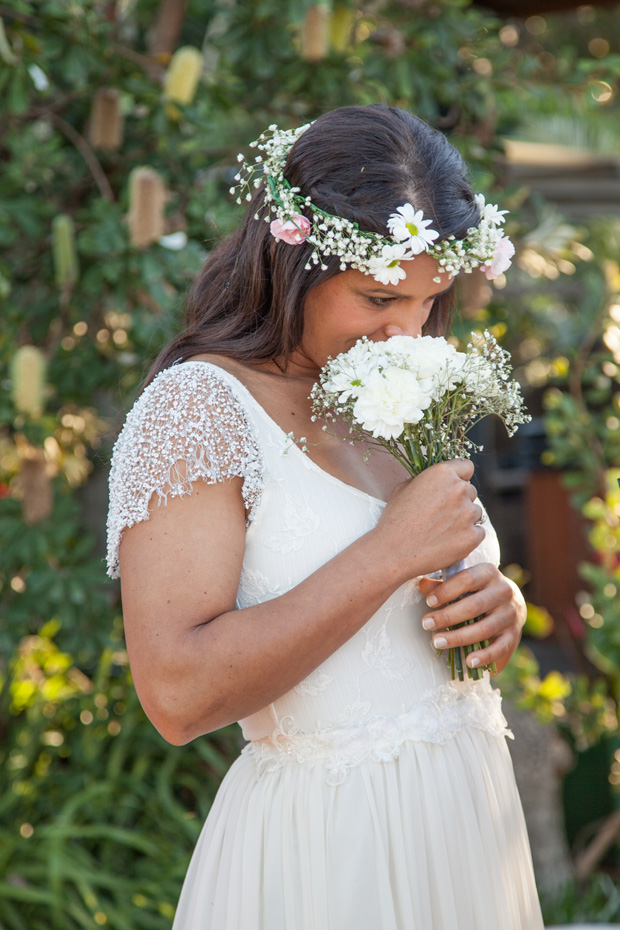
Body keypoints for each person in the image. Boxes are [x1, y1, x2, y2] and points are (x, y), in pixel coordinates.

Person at [106, 104, 544, 929]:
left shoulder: (397, 388)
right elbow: (176, 694)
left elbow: (417, 602)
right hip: (331, 849)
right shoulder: (202, 411)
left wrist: (498, 607)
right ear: (293, 258)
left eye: (428, 299)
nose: (406, 331)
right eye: (378, 296)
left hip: (464, 816)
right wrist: (389, 554)